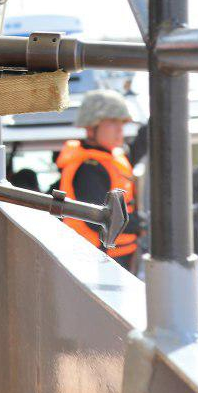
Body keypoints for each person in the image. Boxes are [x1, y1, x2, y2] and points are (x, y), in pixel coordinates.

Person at [54, 89, 146, 271]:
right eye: (112, 122)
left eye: (122, 123)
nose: (120, 129)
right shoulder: (88, 169)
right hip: (98, 262)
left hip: (117, 257)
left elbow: (138, 148)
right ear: (90, 127)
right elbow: (98, 218)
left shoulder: (112, 158)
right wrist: (139, 225)